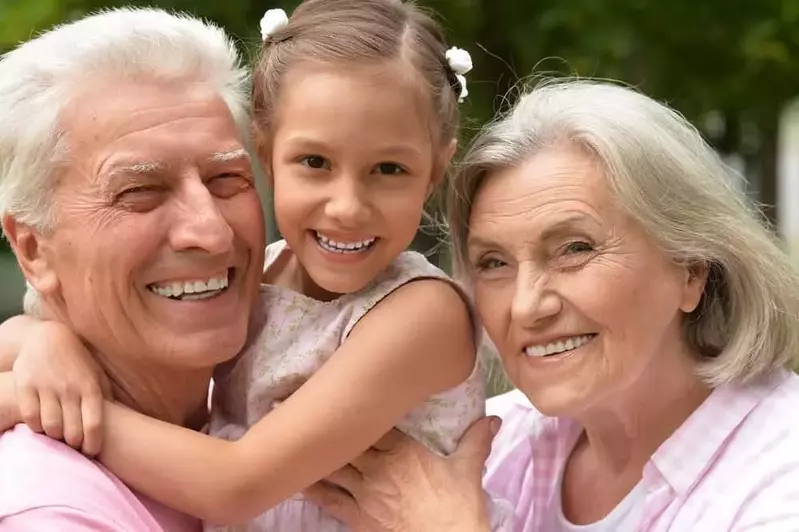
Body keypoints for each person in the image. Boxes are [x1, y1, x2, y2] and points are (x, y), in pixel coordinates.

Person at [0, 1, 514, 530]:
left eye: (389, 168)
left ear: (435, 170)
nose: (348, 206)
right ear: (266, 156)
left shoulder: (421, 312)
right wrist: (41, 341)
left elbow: (235, 485)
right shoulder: (258, 278)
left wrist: (36, 401)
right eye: (315, 162)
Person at [303, 80, 799, 531]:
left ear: (691, 269)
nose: (525, 306)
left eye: (575, 249)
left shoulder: (779, 472)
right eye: (493, 262)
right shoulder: (486, 443)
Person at [0, 7, 261, 531]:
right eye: (139, 191)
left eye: (227, 177)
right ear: (33, 250)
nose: (210, 232)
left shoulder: (271, 392)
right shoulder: (52, 512)